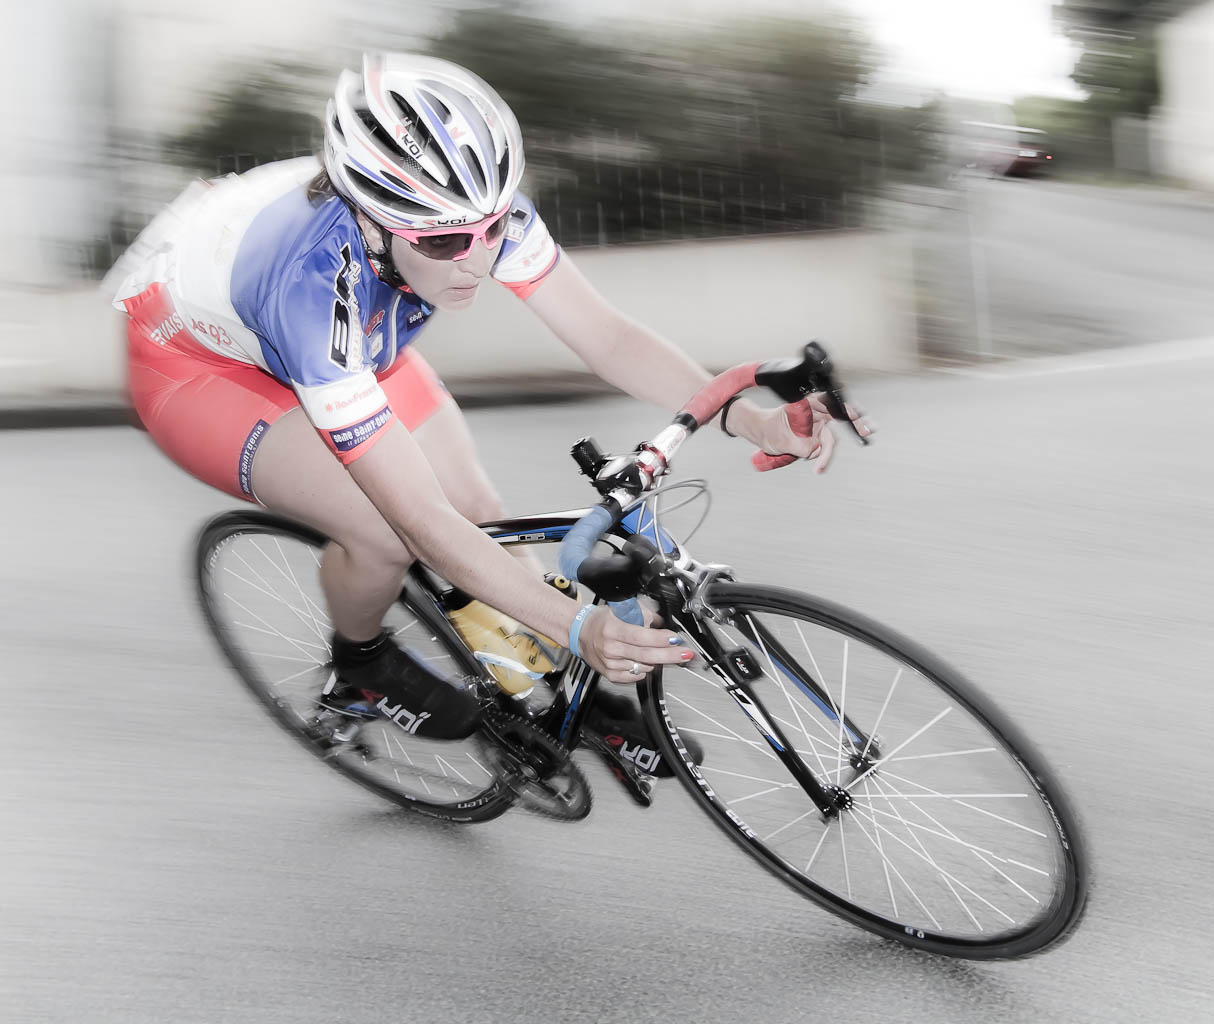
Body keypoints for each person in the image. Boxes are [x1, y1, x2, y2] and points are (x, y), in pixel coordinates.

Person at [110, 53, 862, 760]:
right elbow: (420, 521)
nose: (476, 259)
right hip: (194, 365)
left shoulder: (465, 208)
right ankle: (359, 665)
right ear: (372, 223)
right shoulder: (313, 292)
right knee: (385, 530)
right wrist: (577, 623)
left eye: (493, 230)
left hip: (339, 320)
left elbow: (605, 337)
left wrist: (752, 420)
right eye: (445, 244)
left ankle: (546, 682)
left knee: (479, 509)